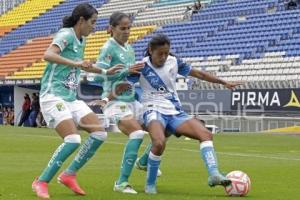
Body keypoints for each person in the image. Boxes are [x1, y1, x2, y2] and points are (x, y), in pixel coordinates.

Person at [127, 34, 242, 194]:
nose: (164, 57)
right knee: (159, 143)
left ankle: (214, 173)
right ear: (150, 50)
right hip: (152, 109)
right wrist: (108, 98)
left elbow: (199, 74)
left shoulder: (174, 61)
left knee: (206, 134)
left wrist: (223, 82)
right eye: (160, 53)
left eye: (166, 53)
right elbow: (122, 84)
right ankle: (150, 185)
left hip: (175, 112)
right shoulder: (140, 67)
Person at [31, 3, 124, 199]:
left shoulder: (82, 40)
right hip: (53, 95)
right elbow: (48, 55)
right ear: (81, 20)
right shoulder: (66, 35)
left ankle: (69, 174)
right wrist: (76, 63)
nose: (94, 26)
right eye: (93, 22)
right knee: (72, 139)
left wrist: (106, 71)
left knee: (99, 133)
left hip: (71, 98)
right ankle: (41, 181)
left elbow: (83, 67)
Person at [90, 11, 146, 194]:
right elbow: (98, 75)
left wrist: (134, 72)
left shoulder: (129, 48)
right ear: (112, 29)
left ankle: (145, 161)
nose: (127, 31)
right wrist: (126, 71)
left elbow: (127, 75)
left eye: (129, 28)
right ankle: (121, 182)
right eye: (123, 28)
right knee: (137, 133)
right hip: (115, 101)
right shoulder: (108, 48)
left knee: (161, 126)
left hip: (131, 99)